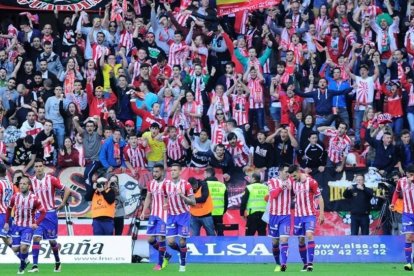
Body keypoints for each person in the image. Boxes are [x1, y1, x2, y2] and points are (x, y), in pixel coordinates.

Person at [29, 159, 72, 273]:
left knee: (52, 242)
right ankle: (35, 265)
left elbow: (67, 189)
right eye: (36, 166)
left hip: (50, 214)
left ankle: (57, 262)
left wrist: (62, 203)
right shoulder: (31, 182)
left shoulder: (51, 179)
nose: (38, 168)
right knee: (36, 238)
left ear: (43, 167)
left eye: (40, 166)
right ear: (34, 168)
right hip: (38, 215)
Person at [4, 175, 46, 274]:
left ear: (29, 186)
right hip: (16, 226)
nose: (22, 186)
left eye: (24, 184)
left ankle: (22, 266)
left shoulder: (34, 199)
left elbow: (43, 212)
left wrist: (36, 223)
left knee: (23, 248)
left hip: (28, 226)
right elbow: (9, 209)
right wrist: (6, 222)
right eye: (20, 184)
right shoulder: (15, 197)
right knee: (15, 248)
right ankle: (25, 261)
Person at [288, 165, 325, 272]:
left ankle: (310, 264)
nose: (293, 178)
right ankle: (305, 264)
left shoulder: (311, 182)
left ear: (298, 172)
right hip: (298, 215)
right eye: (291, 176)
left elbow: (320, 197)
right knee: (300, 240)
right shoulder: (292, 181)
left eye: (294, 175)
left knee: (309, 235)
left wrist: (321, 214)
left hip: (309, 214)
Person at [164, 164, 196, 272]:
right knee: (171, 242)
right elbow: (165, 196)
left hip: (183, 215)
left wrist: (182, 195)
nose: (172, 172)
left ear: (180, 171)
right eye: (171, 170)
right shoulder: (166, 184)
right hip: (171, 216)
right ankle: (182, 252)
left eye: (175, 170)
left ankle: (182, 265)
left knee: (182, 241)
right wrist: (165, 204)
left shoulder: (186, 185)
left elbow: (193, 202)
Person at [140, 164, 172, 271]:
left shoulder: (168, 184)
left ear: (162, 172)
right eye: (153, 172)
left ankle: (160, 263)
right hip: (153, 214)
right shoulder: (151, 184)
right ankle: (166, 255)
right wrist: (144, 211)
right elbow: (148, 197)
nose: (154, 174)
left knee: (161, 237)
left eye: (157, 172)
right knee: (150, 239)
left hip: (164, 215)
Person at [267, 165, 293, 272]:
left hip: (285, 216)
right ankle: (277, 263)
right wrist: (282, 187)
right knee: (275, 243)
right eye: (286, 172)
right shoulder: (271, 181)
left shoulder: (291, 181)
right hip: (273, 216)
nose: (288, 174)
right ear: (280, 172)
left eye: (289, 172)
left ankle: (283, 264)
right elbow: (273, 195)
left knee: (284, 239)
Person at [390, 164, 414, 271]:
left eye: (413, 175)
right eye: (410, 174)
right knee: (408, 237)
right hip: (407, 214)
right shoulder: (401, 181)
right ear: (406, 173)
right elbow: (397, 192)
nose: (411, 176)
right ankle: (409, 263)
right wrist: (392, 203)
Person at [205, 167, 228, 236]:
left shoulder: (204, 184)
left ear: (207, 174)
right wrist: (223, 211)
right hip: (219, 212)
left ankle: (211, 246)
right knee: (220, 232)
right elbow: (226, 201)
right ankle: (220, 246)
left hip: (207, 213)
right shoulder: (222, 185)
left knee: (209, 233)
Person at [0, 164, 14, 254]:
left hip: (1, 214)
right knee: (7, 237)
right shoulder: (10, 184)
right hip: (8, 214)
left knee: (5, 236)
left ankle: (21, 255)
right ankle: (22, 257)